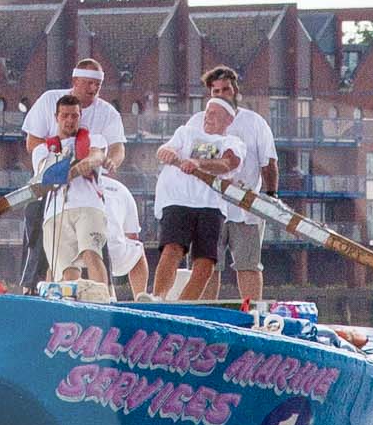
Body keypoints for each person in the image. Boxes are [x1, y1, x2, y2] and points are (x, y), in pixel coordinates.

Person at [20, 58, 127, 291]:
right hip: (51, 201)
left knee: (93, 251)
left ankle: (103, 297)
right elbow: (34, 147)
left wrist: (95, 165)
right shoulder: (49, 102)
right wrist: (62, 163)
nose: (92, 89)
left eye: (97, 85)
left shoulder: (101, 124)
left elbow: (109, 151)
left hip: (88, 200)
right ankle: (39, 293)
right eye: (88, 83)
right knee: (48, 256)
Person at [151, 97, 247, 301]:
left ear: (228, 120)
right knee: (173, 248)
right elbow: (165, 149)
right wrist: (166, 152)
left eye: (215, 113)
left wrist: (198, 163)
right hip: (177, 200)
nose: (208, 116)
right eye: (207, 111)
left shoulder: (232, 142)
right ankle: (158, 299)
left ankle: (183, 307)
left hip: (210, 205)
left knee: (205, 263)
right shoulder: (185, 132)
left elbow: (228, 163)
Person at [198, 65, 277, 302]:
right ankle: (207, 316)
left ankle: (251, 315)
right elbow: (198, 160)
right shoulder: (200, 123)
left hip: (246, 207)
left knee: (248, 265)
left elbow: (269, 162)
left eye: (226, 90)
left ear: (235, 91)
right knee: (208, 265)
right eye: (216, 91)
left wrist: (271, 196)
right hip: (209, 206)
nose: (221, 95)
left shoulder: (254, 122)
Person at [34, 93, 110, 284]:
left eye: (74, 116)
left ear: (80, 116)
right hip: (55, 211)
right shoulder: (43, 149)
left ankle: (102, 301)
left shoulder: (95, 139)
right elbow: (46, 175)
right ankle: (70, 309)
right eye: (65, 116)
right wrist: (76, 168)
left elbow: (96, 157)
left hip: (88, 206)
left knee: (91, 253)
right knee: (66, 272)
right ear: (56, 118)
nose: (69, 120)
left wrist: (87, 163)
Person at [99, 171, 149, 298]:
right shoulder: (121, 189)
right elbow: (133, 235)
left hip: (78, 250)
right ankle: (140, 296)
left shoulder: (73, 184)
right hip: (113, 253)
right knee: (137, 248)